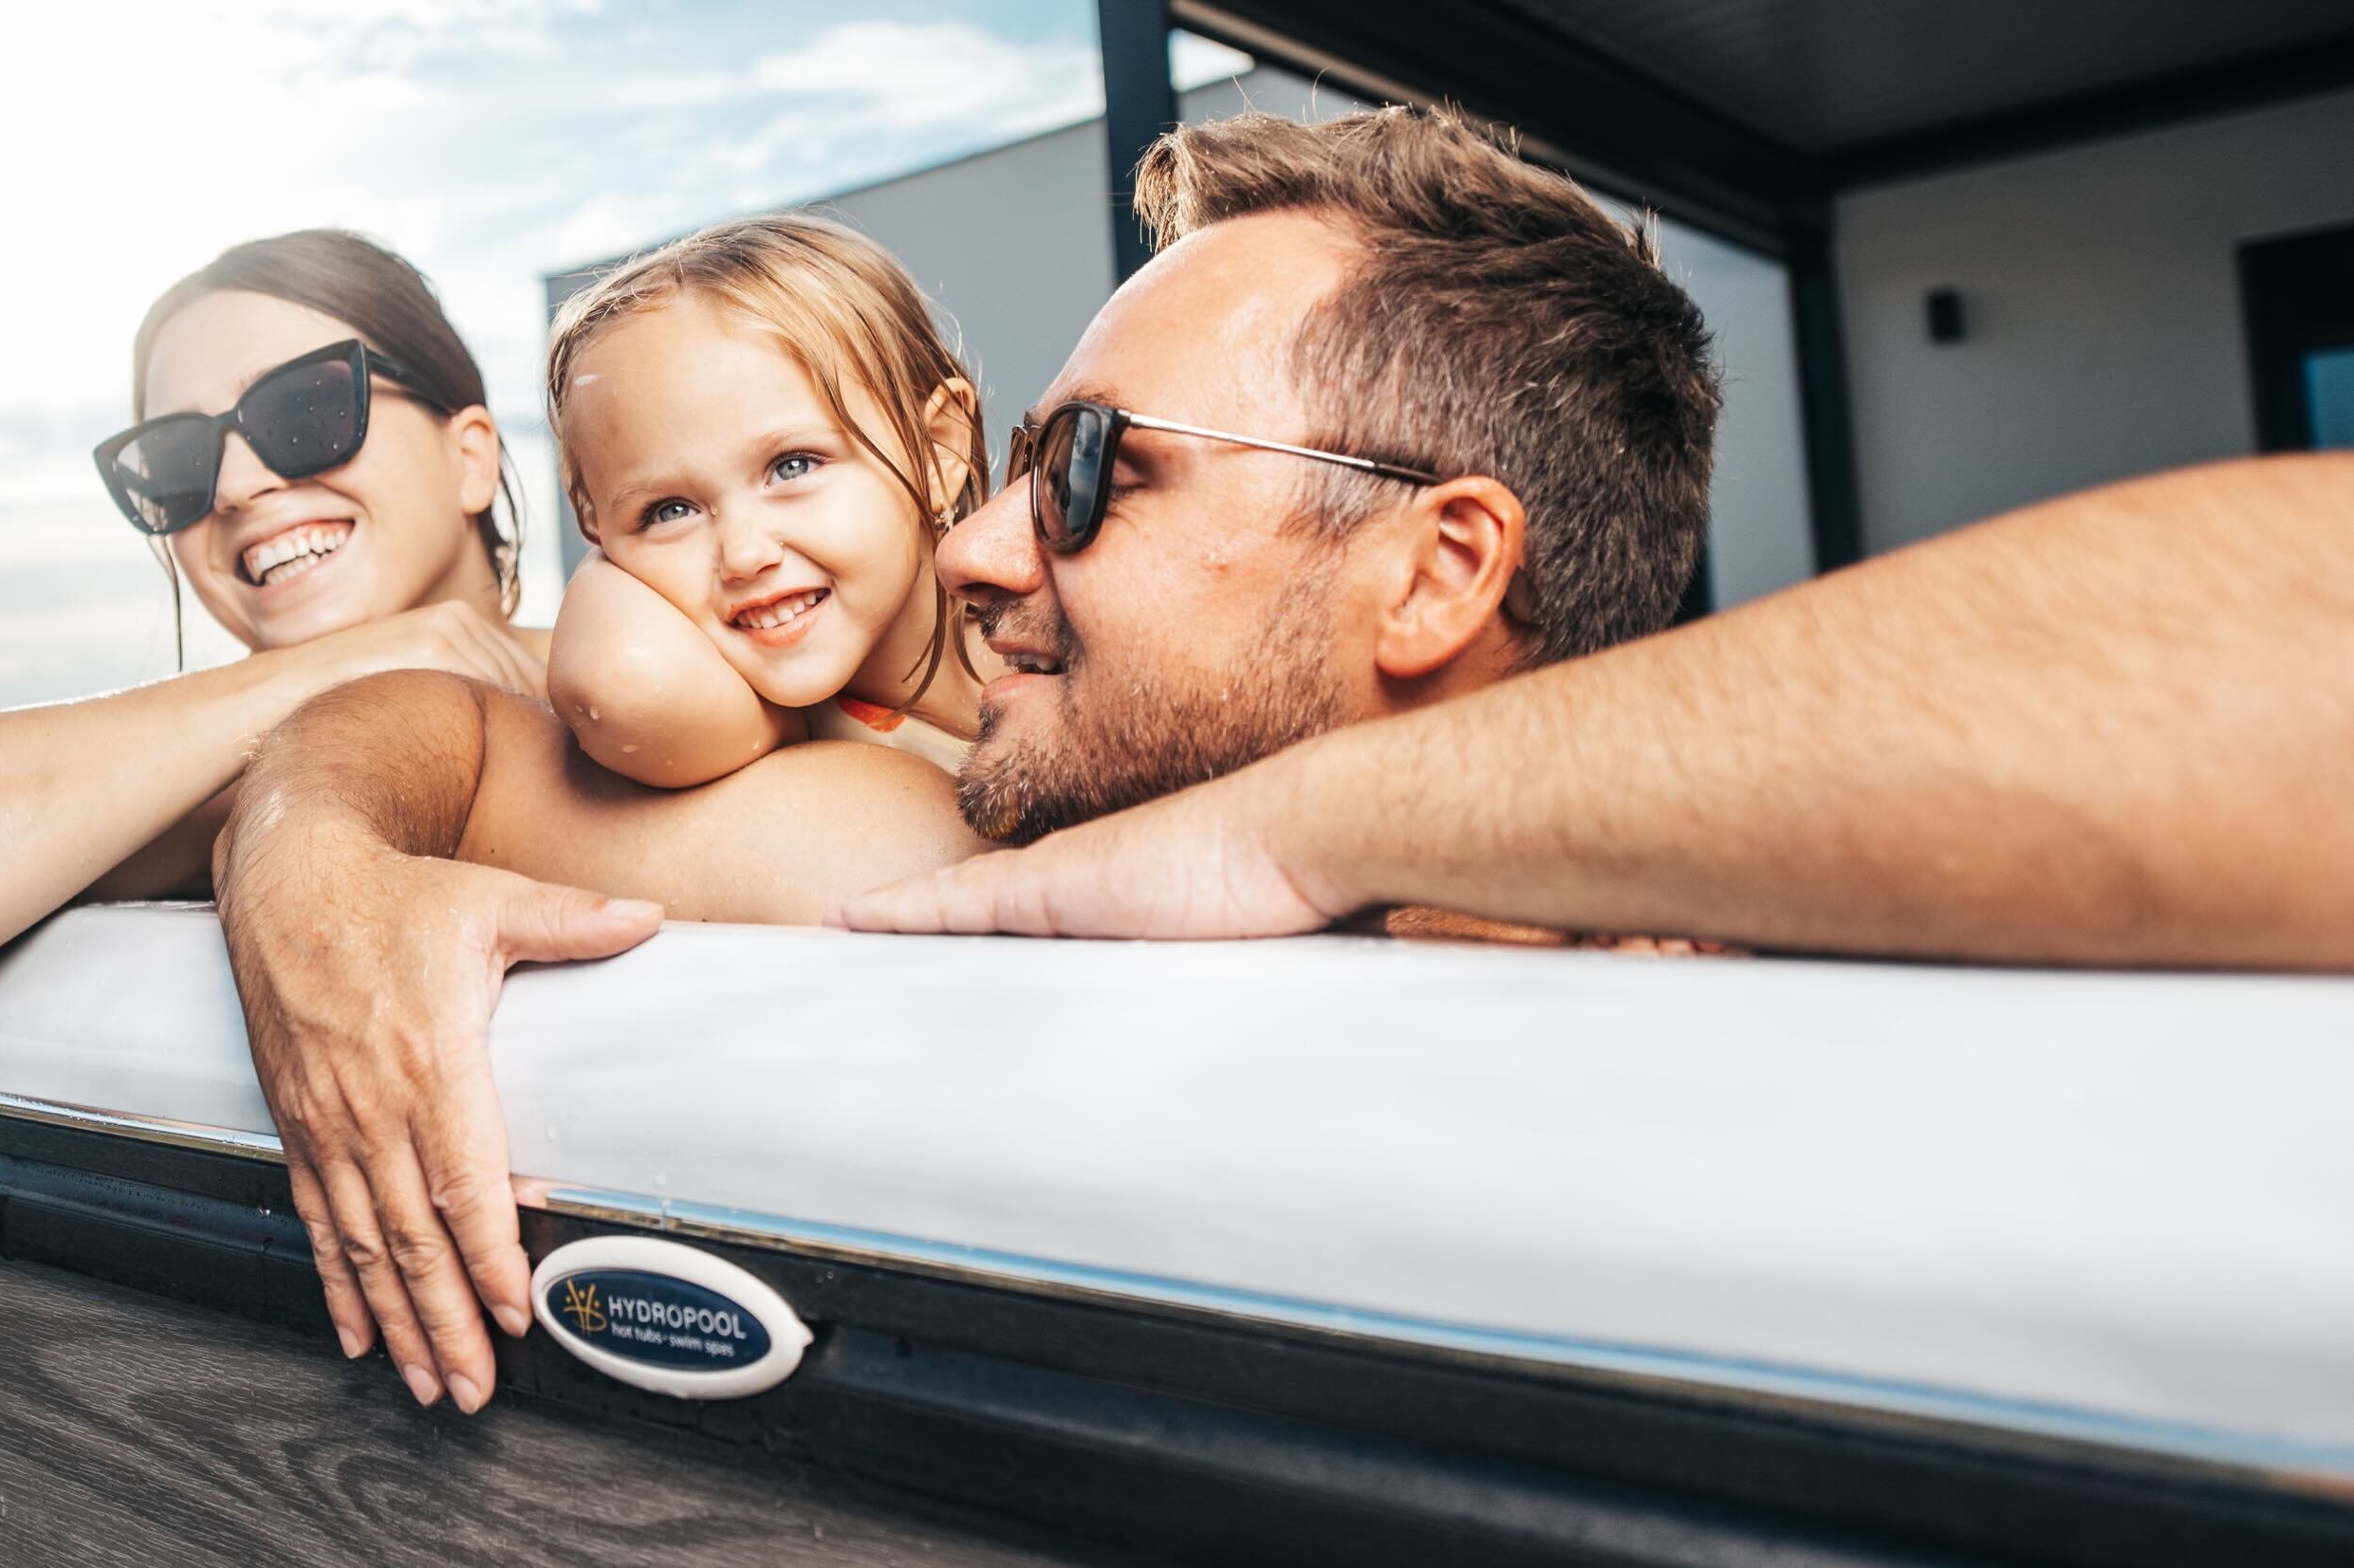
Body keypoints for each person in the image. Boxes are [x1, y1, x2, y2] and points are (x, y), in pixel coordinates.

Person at [208, 102, 1733, 1412]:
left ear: (1434, 573)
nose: (977, 553)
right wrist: (306, 848)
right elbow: (462, 741)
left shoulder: (1730, 997)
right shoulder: (905, 832)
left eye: (1085, 473)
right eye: (1017, 464)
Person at [0, 231, 549, 1005]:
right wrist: (346, 664)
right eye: (177, 459)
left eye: (305, 410)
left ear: (470, 457)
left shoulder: (636, 697)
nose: (235, 486)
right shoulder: (192, 799)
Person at [542, 213, 999, 786]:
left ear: (937, 453)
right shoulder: (748, 720)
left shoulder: (1064, 637)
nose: (743, 554)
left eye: (793, 466)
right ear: (598, 534)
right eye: (669, 511)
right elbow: (620, 682)